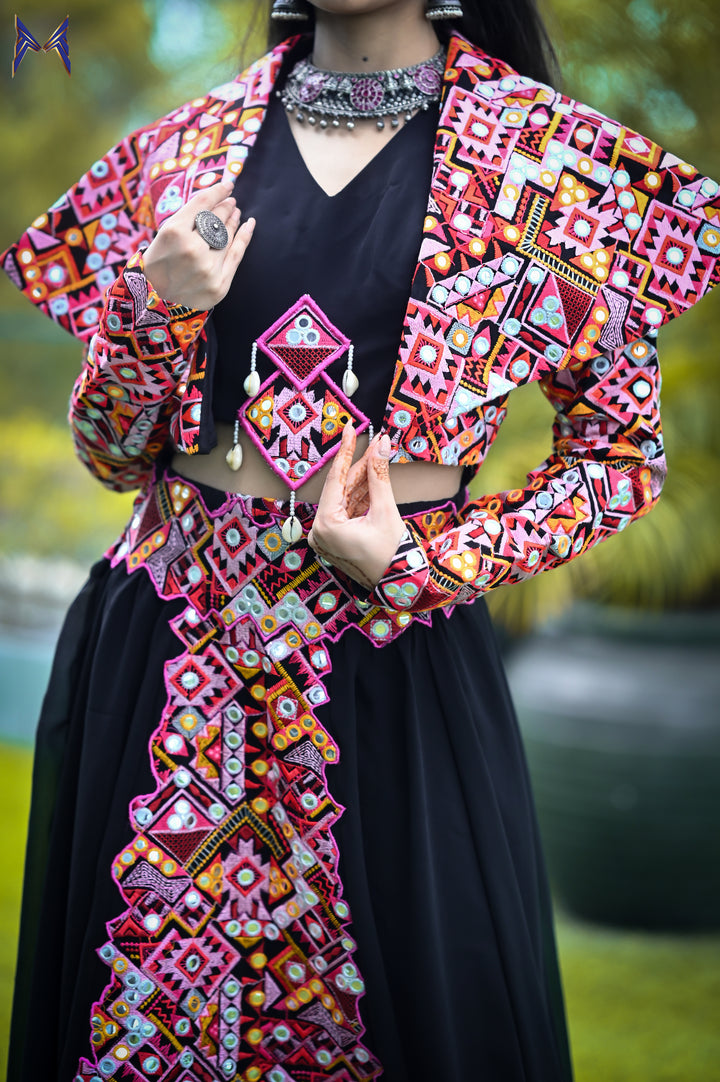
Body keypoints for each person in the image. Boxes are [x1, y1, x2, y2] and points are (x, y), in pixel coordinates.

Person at [2, 0, 719, 1078]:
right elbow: (112, 455)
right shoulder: (183, 149)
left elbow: (620, 458)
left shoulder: (555, 167)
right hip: (169, 657)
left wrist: (427, 563)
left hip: (391, 662)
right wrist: (154, 311)